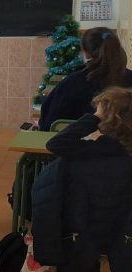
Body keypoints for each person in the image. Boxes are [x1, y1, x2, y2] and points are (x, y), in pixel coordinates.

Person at [31, 87, 132, 271]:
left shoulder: (84, 153)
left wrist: (95, 118)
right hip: (123, 236)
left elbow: (55, 144)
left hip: (80, 235)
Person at [39, 27, 132, 131]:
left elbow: (48, 124)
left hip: (79, 145)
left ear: (86, 53)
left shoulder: (72, 83)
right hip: (126, 144)